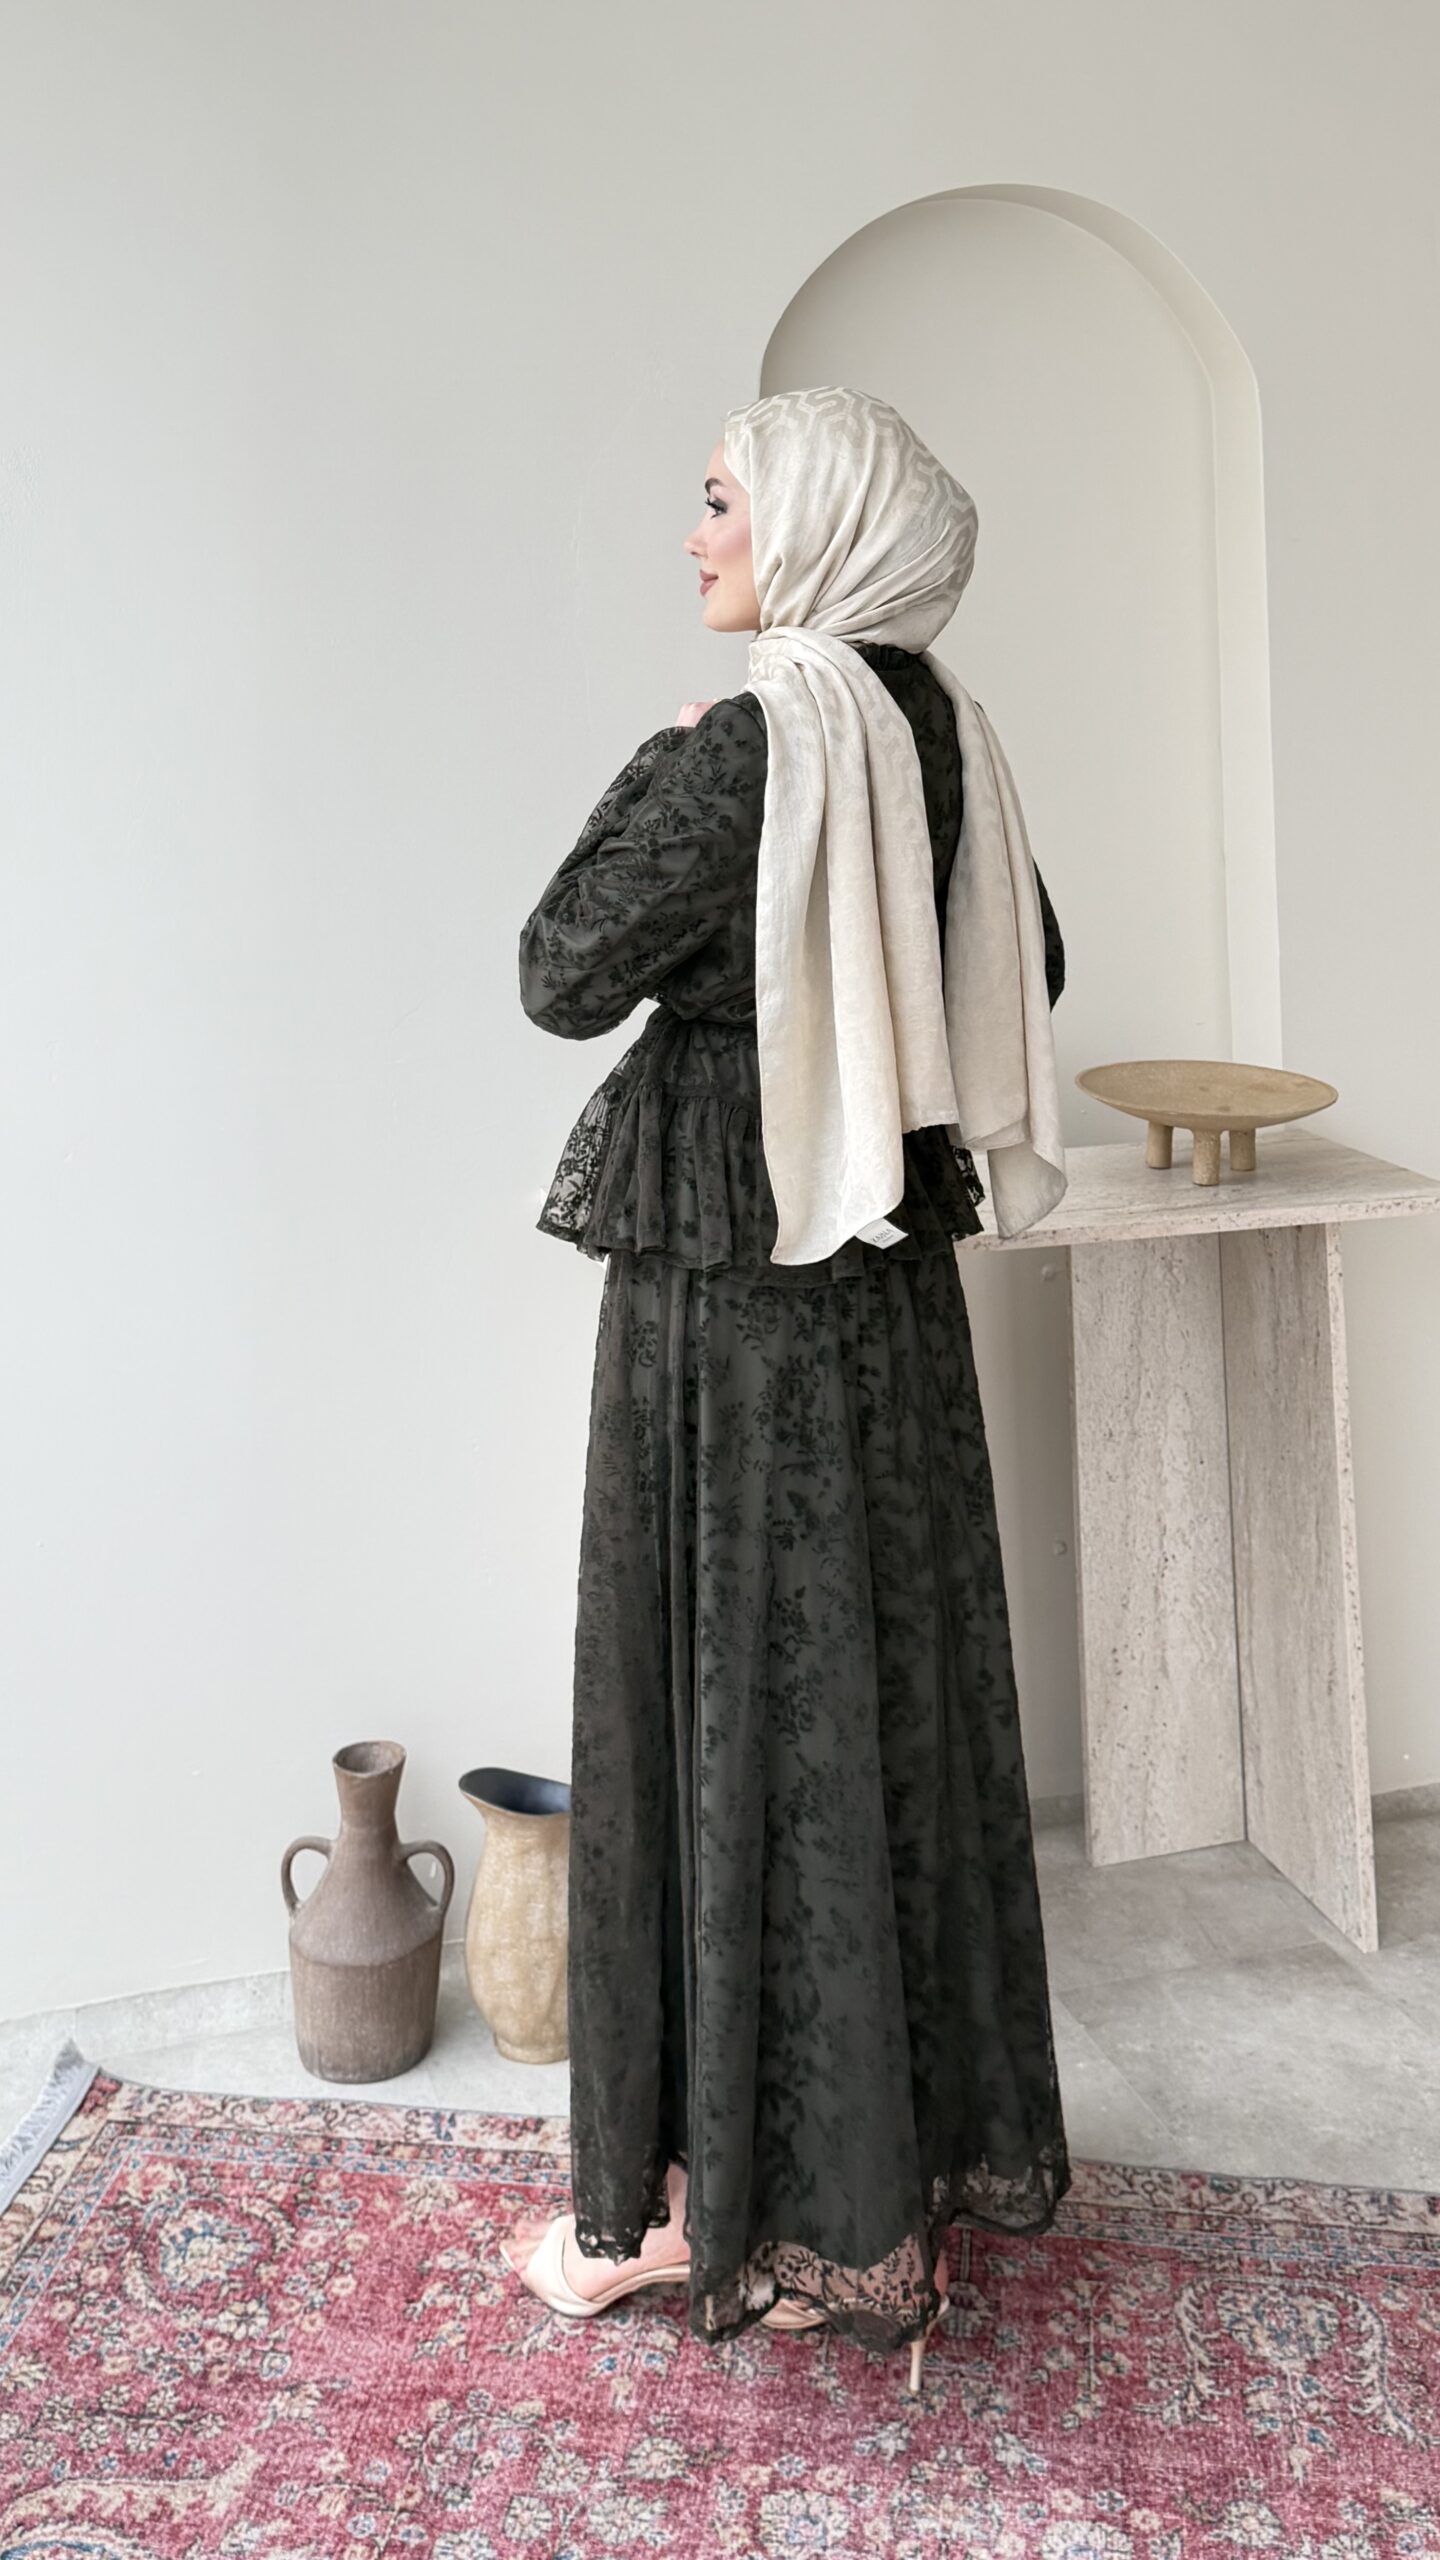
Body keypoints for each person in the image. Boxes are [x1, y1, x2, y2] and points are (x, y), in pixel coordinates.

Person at [505, 386, 1072, 2394]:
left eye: (723, 502)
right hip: (883, 1291)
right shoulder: (939, 729)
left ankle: (706, 2204)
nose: (697, 537)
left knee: (724, 1695)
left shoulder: (757, 743)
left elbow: (562, 968)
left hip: (738, 1301)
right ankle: (868, 2175)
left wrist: (659, 759)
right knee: (868, 1695)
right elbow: (1030, 968)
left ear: (821, 524)